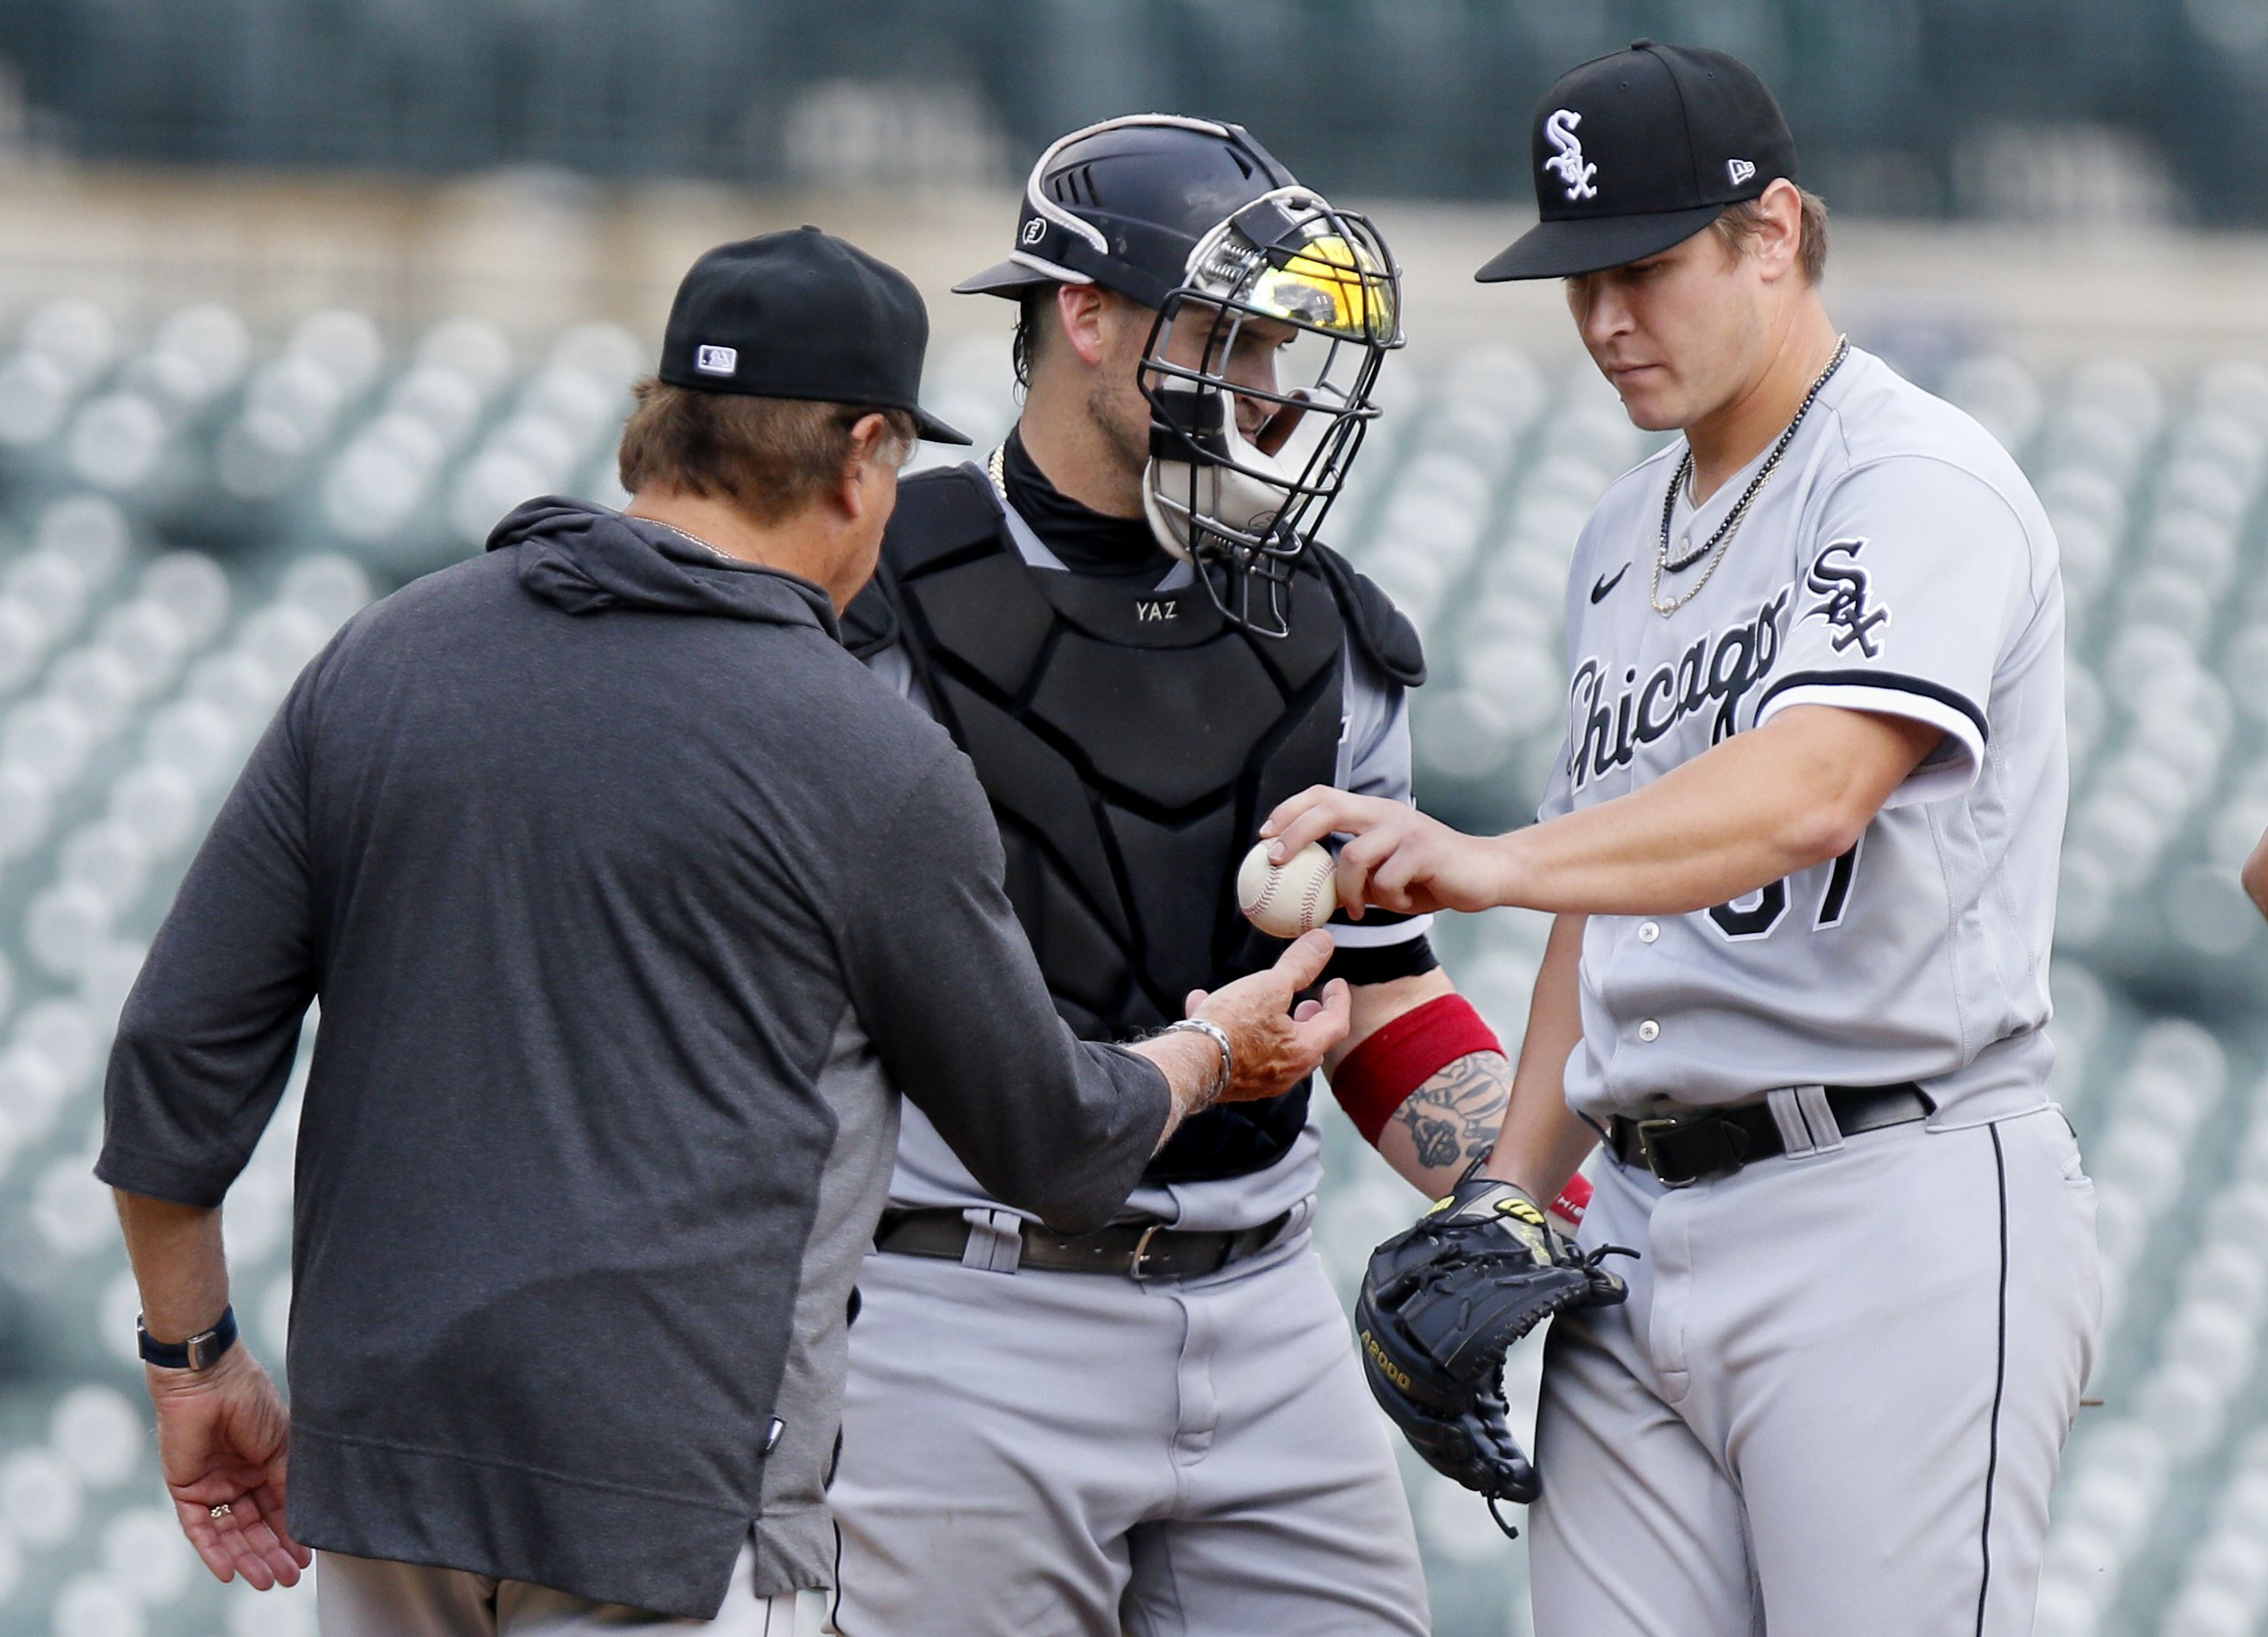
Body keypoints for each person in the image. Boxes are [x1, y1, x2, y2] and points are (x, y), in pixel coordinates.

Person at [97, 227, 1349, 1637]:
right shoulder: (859, 753)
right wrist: (1204, 1050)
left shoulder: (387, 656)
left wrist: (194, 1364)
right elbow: (1052, 1141)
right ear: (861, 454)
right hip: (677, 1502)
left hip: (392, 1482)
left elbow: (175, 1055)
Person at [1267, 42, 2100, 1636]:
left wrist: (1491, 858)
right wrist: (1511, 1188)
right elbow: (1619, 889)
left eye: (1641, 268)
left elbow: (1808, 792)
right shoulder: (1614, 529)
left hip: (1889, 1195)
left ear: (1770, 235)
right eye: (1577, 281)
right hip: (1636, 1226)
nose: (1601, 321)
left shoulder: (1908, 479)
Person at [827, 115, 1554, 1637]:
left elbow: (1381, 999)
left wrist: (1530, 1202)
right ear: (1081, 319)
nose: (1272, 391)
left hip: (1265, 1307)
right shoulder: (875, 600)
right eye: (1228, 337)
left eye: (1277, 346)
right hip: (959, 1310)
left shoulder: (1329, 629)